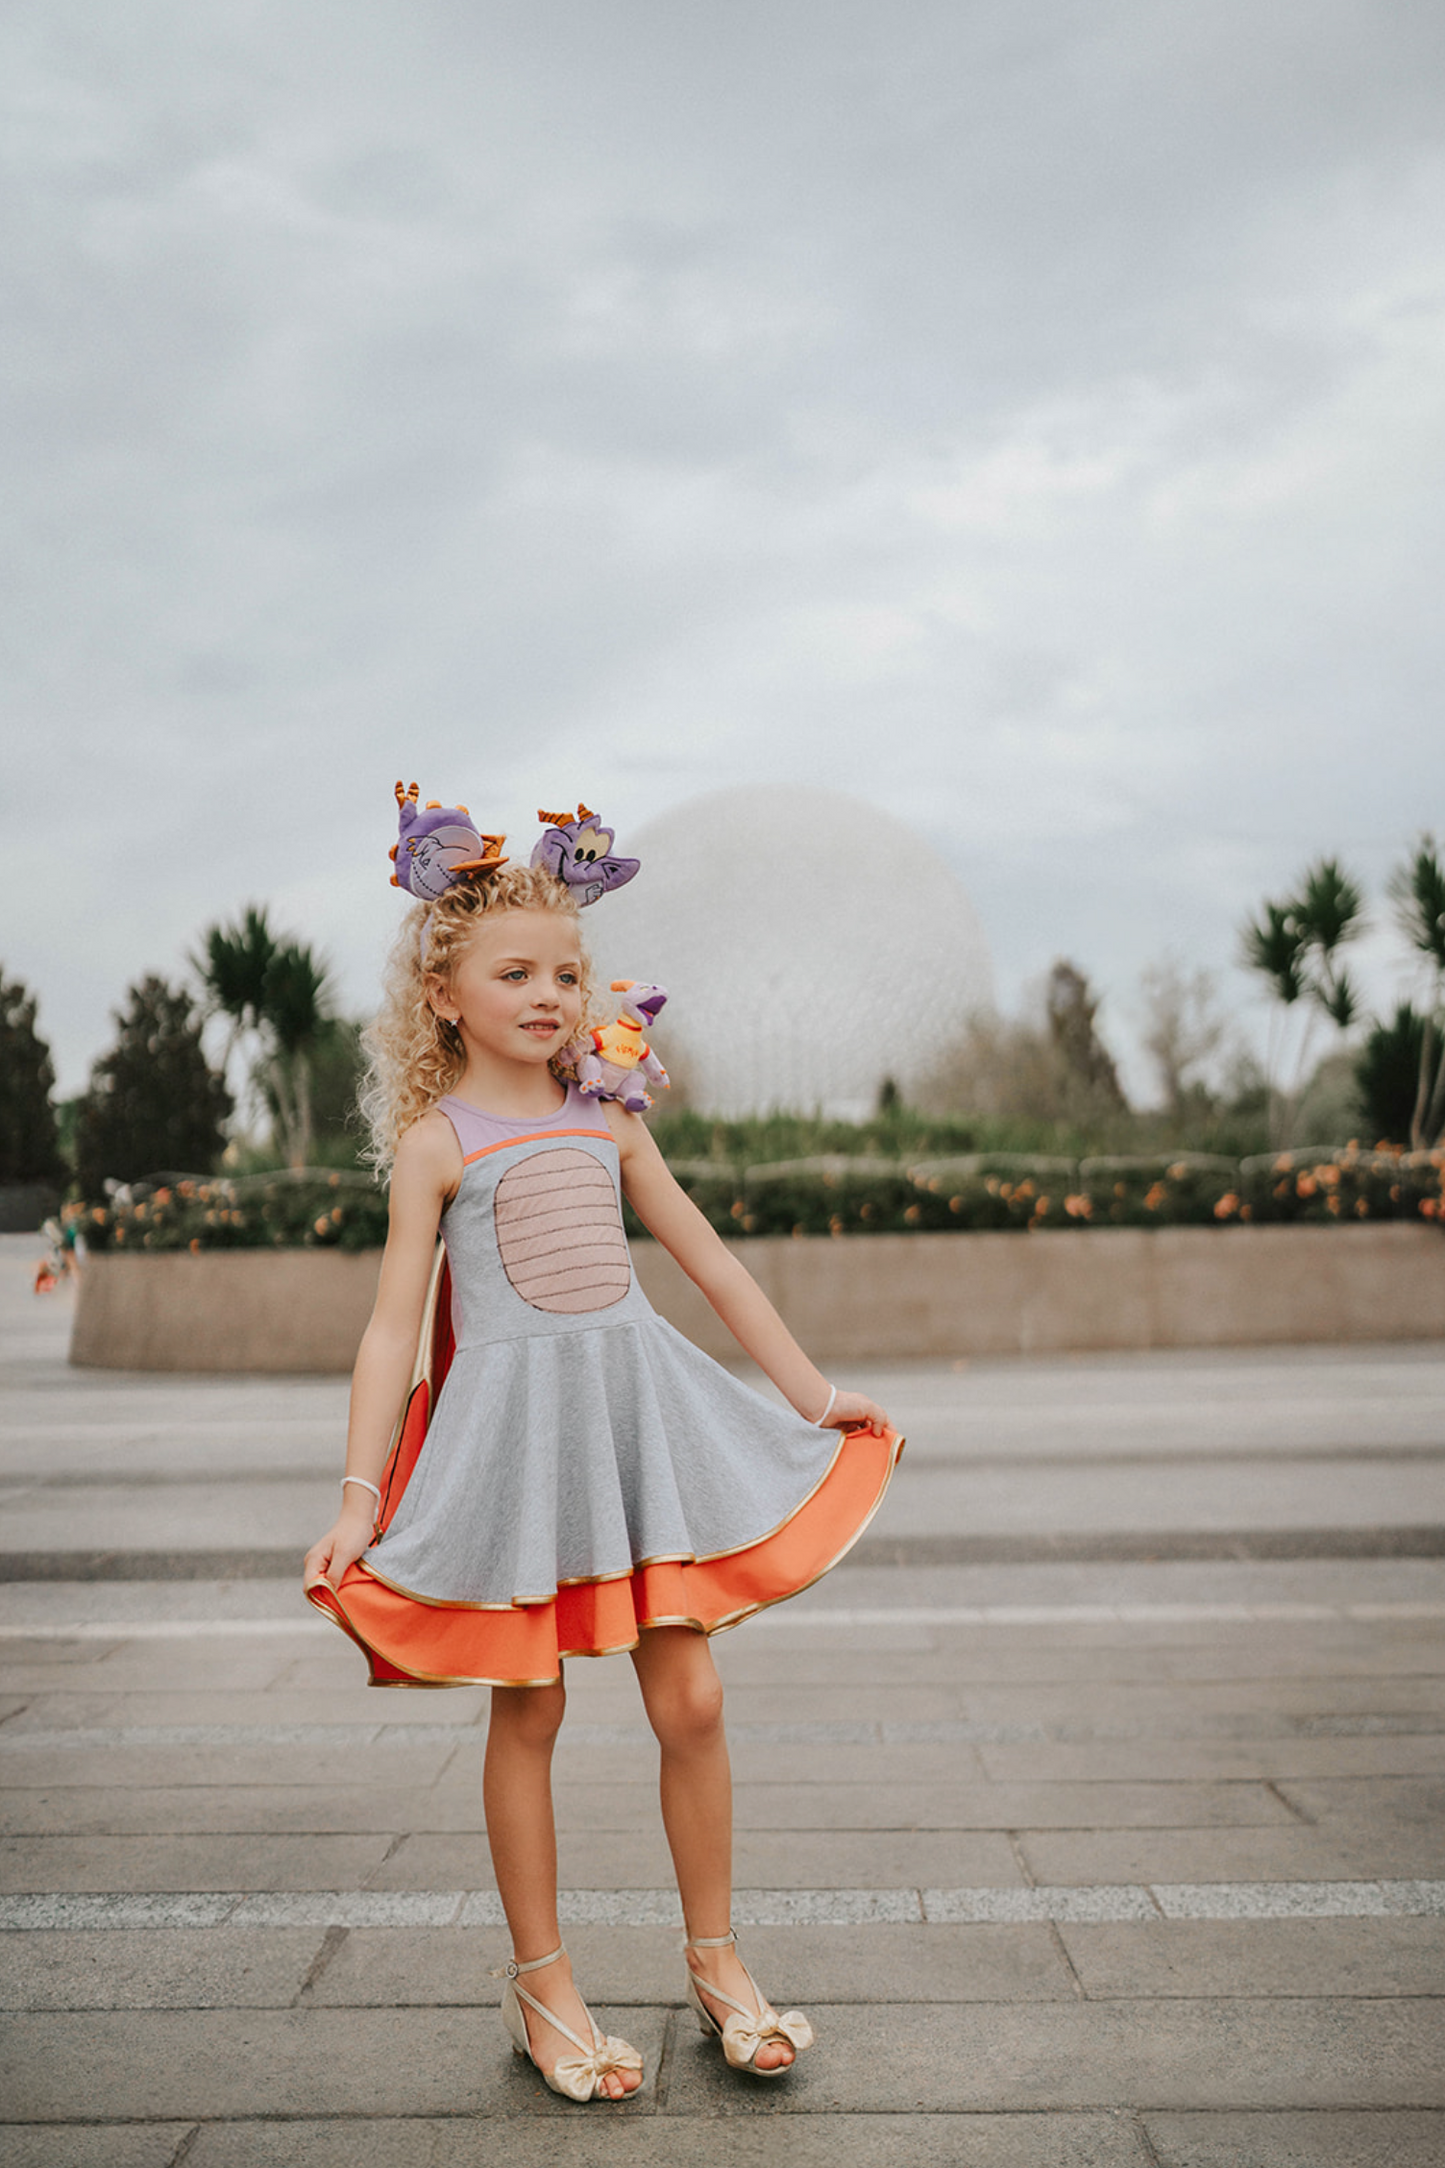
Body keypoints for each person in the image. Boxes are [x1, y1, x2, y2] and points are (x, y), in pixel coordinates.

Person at [304, 803, 901, 2103]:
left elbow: (711, 1265)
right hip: (525, 1460)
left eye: (566, 972)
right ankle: (545, 1985)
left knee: (691, 1701)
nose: (547, 993)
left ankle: (717, 1961)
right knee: (536, 1707)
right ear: (443, 993)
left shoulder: (607, 1117)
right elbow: (392, 1333)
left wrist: (814, 1397)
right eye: (514, 972)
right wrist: (360, 1501)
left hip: (638, 1444)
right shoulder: (437, 1146)